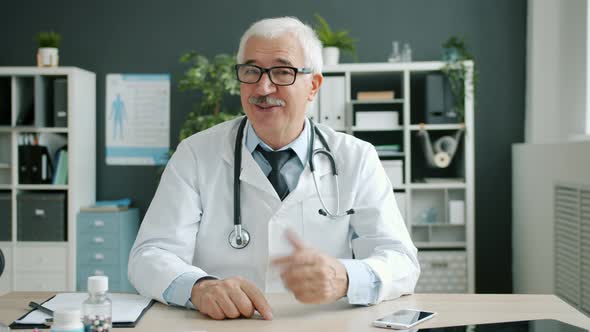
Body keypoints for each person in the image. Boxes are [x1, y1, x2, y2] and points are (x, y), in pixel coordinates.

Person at [128, 16, 419, 321]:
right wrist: (198, 287)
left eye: (282, 72)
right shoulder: (196, 155)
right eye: (251, 71)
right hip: (224, 326)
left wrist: (345, 277)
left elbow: (401, 261)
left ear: (313, 86)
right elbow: (149, 256)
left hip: (323, 325)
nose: (263, 87)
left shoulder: (356, 158)